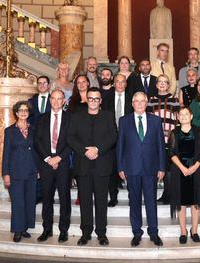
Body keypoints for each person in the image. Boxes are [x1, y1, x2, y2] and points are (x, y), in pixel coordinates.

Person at [67, 87, 117, 246]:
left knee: (102, 202)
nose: (94, 101)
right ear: (86, 99)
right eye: (91, 98)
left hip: (102, 165)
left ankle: (102, 233)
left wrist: (98, 150)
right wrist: (84, 151)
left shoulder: (108, 116)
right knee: (86, 202)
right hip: (83, 165)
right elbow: (70, 137)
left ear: (100, 101)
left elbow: (113, 136)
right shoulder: (77, 116)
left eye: (97, 99)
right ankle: (86, 233)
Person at [117, 92, 166, 247]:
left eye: (142, 101)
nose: (139, 104)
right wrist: (120, 167)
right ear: (132, 103)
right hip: (131, 168)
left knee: (151, 202)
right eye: (136, 101)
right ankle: (137, 233)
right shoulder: (124, 121)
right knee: (135, 202)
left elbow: (160, 145)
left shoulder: (156, 121)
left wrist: (162, 167)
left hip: (151, 168)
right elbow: (120, 146)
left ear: (146, 103)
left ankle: (153, 233)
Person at [34, 90, 72, 243]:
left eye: (59, 99)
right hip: (46, 164)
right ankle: (47, 229)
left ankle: (64, 230)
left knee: (64, 198)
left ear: (64, 101)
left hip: (63, 164)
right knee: (47, 198)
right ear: (50, 100)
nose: (56, 102)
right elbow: (37, 140)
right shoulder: (42, 119)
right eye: (54, 98)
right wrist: (48, 158)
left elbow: (72, 141)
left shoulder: (70, 118)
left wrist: (58, 158)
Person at [168, 107, 200, 244]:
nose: (183, 116)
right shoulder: (174, 132)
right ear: (178, 117)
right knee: (181, 203)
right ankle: (183, 231)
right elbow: (171, 153)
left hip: (196, 170)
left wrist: (194, 167)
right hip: (179, 170)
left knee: (195, 203)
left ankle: (194, 230)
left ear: (191, 116)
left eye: (186, 114)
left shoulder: (199, 131)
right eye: (181, 114)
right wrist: (183, 168)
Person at [2, 101, 38, 243]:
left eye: (26, 110)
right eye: (21, 110)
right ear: (16, 113)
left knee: (29, 200)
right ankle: (17, 230)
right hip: (15, 171)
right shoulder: (9, 131)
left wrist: (38, 169)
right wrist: (6, 173)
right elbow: (6, 153)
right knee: (18, 201)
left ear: (29, 113)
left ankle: (24, 228)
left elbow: (37, 151)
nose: (23, 112)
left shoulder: (34, 129)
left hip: (31, 170)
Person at [147, 74, 180, 205]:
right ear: (156, 85)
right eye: (159, 82)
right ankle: (156, 194)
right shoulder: (151, 100)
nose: (162, 84)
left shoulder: (174, 99)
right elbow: (148, 119)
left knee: (169, 168)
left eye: (165, 82)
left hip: (170, 138)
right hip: (155, 140)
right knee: (157, 167)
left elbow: (177, 120)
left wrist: (175, 137)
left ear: (168, 85)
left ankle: (169, 194)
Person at [102, 74, 134, 207]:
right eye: (117, 82)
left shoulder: (132, 99)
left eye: (123, 82)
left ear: (126, 84)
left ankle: (133, 196)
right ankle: (113, 196)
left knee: (131, 167)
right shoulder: (107, 98)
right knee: (112, 168)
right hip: (111, 137)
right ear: (114, 83)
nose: (120, 84)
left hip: (129, 138)